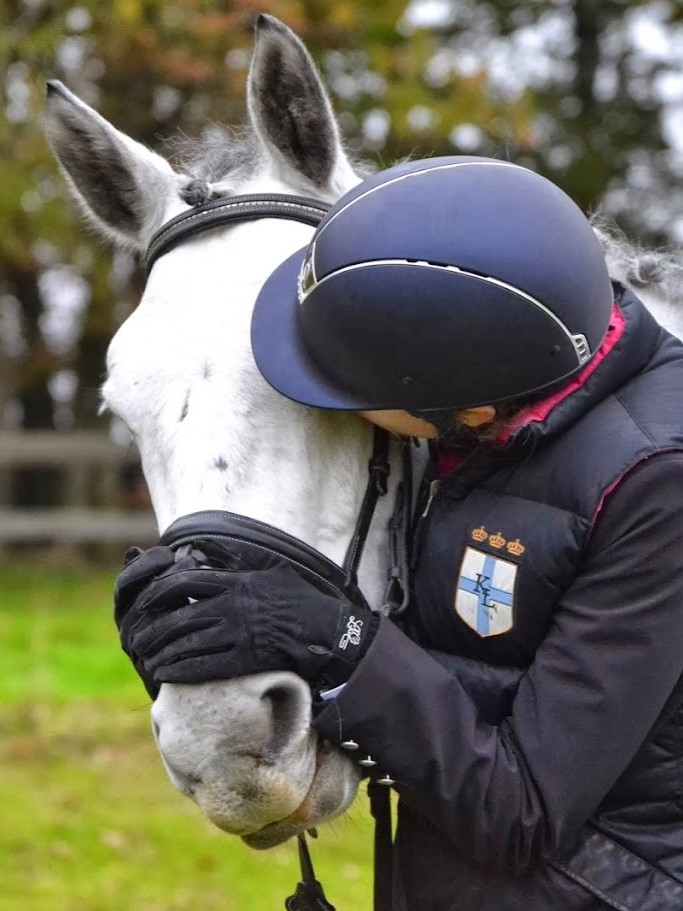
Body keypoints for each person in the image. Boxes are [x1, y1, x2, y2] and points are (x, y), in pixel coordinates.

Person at [115, 157, 683, 910]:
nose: (334, 397)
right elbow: (492, 667)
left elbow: (522, 810)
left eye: (346, 393)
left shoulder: (654, 487)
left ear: (468, 408)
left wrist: (337, 637)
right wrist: (230, 628)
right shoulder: (490, 439)